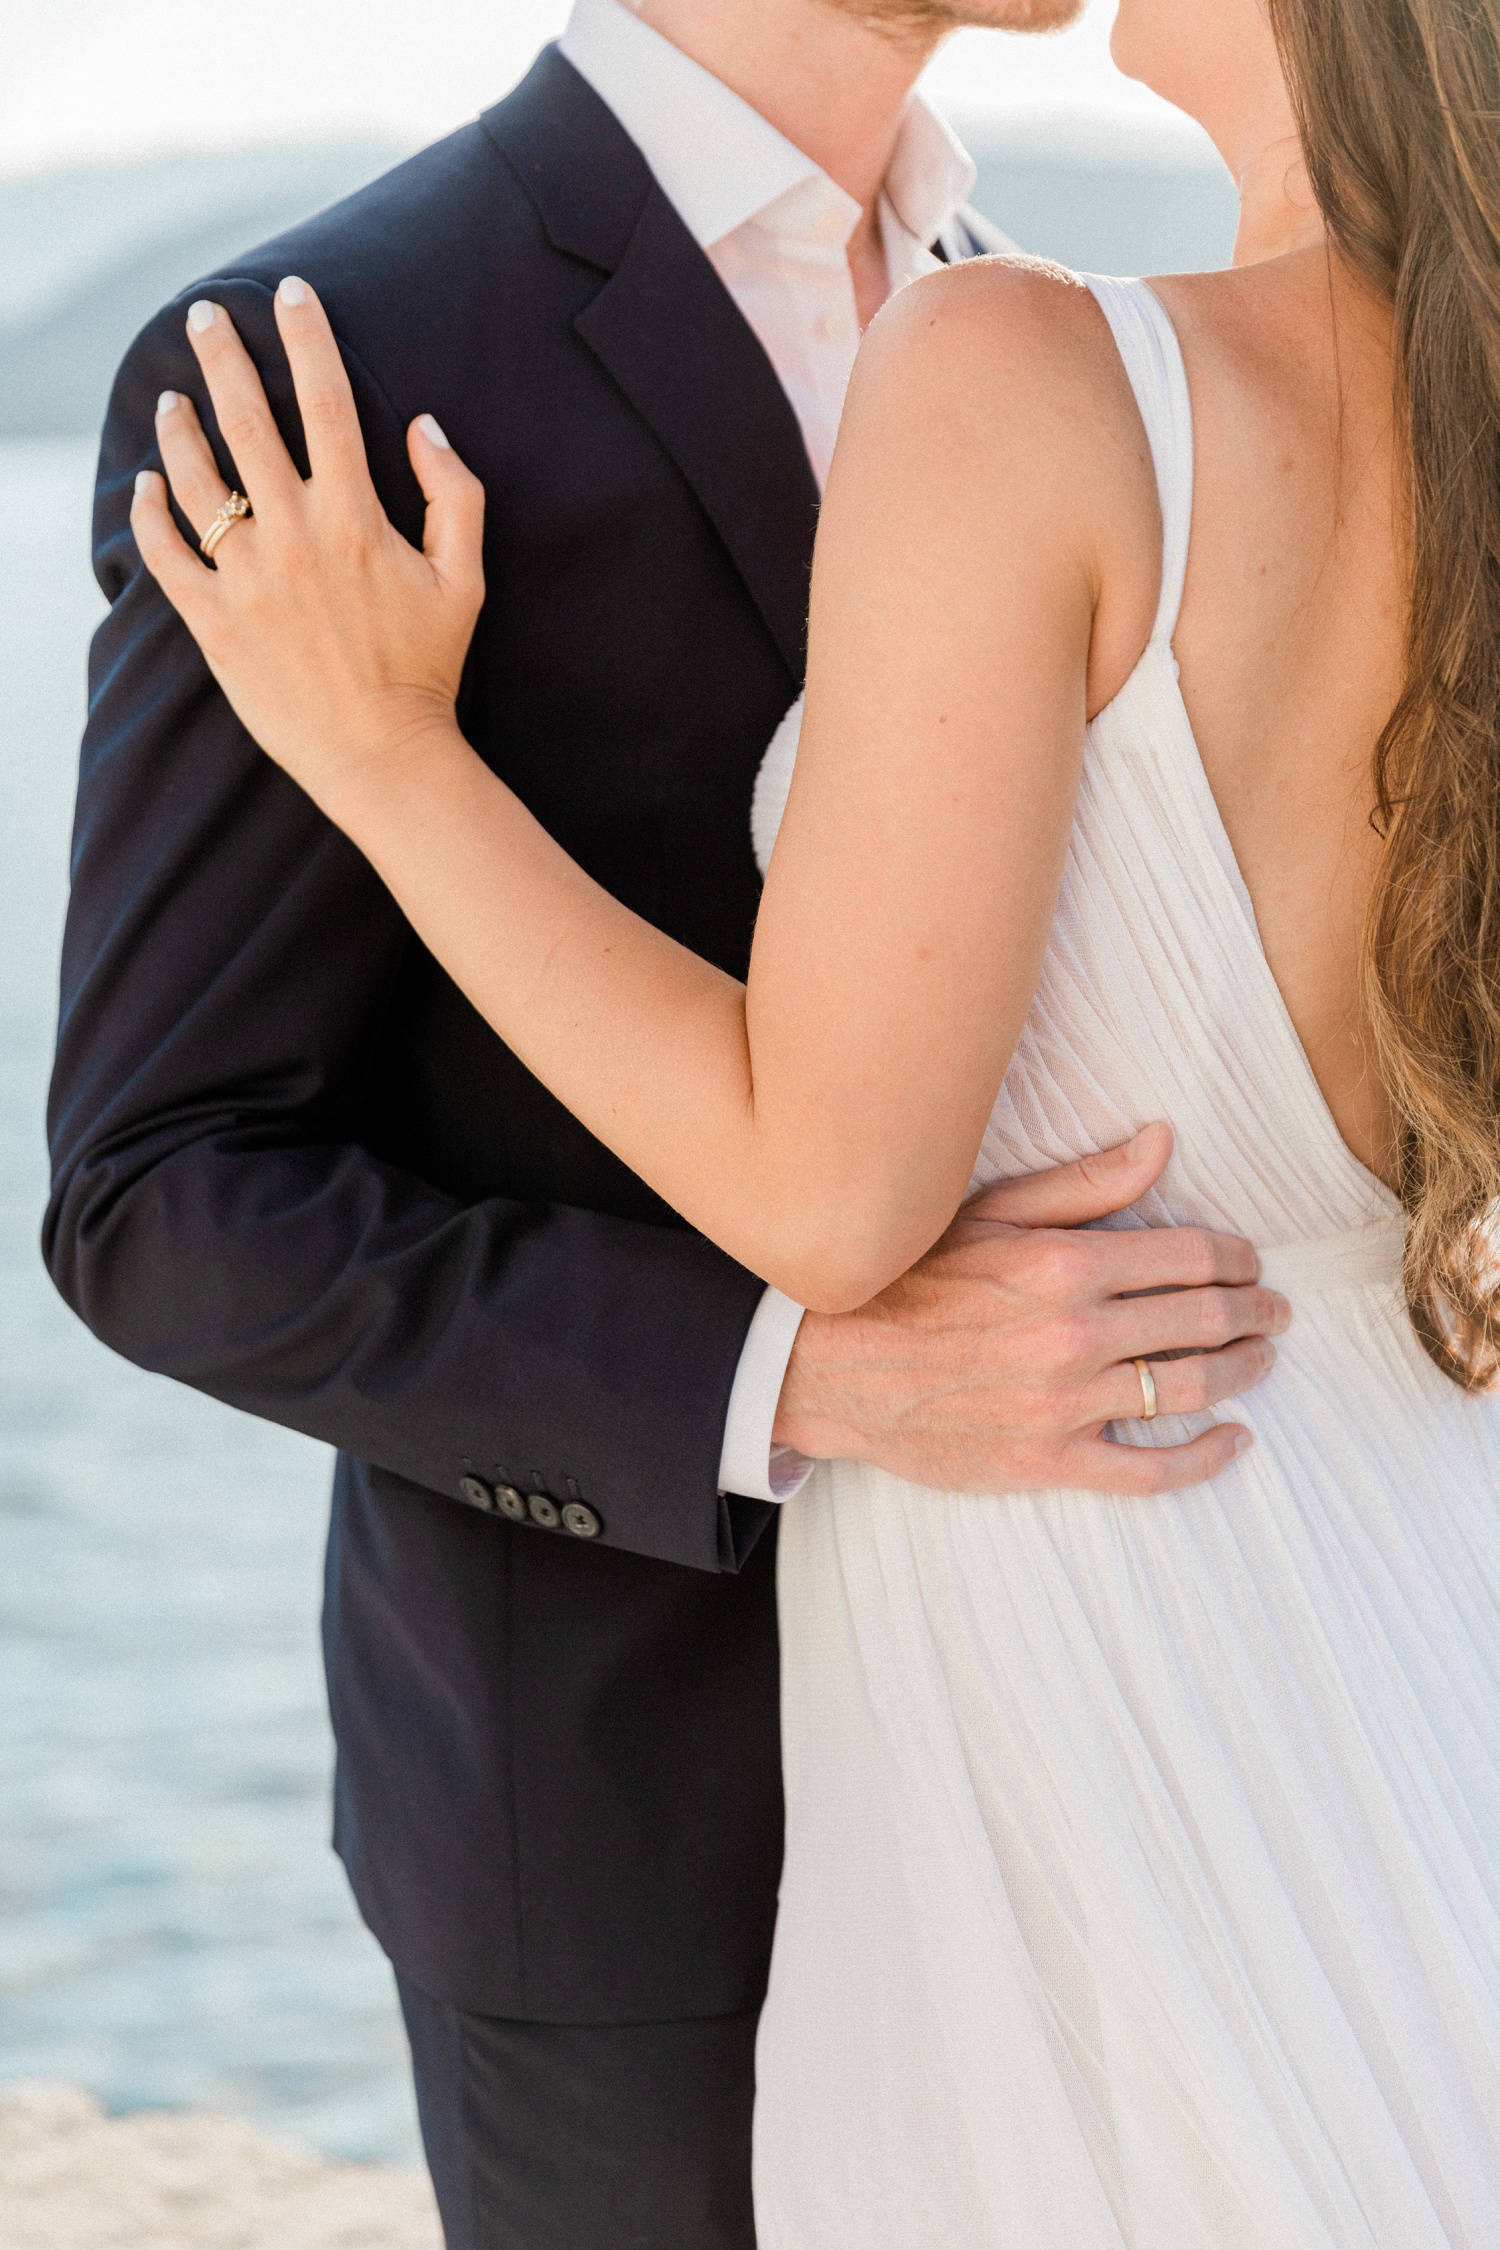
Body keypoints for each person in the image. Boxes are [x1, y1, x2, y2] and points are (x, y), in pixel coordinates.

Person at [117, 0, 1500, 2231]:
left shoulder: (1043, 345)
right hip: (1260, 1653)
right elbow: (167, 1191)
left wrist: (393, 759)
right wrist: (800, 1387)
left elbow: (840, 1179)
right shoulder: (336, 353)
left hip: (1138, 1669)